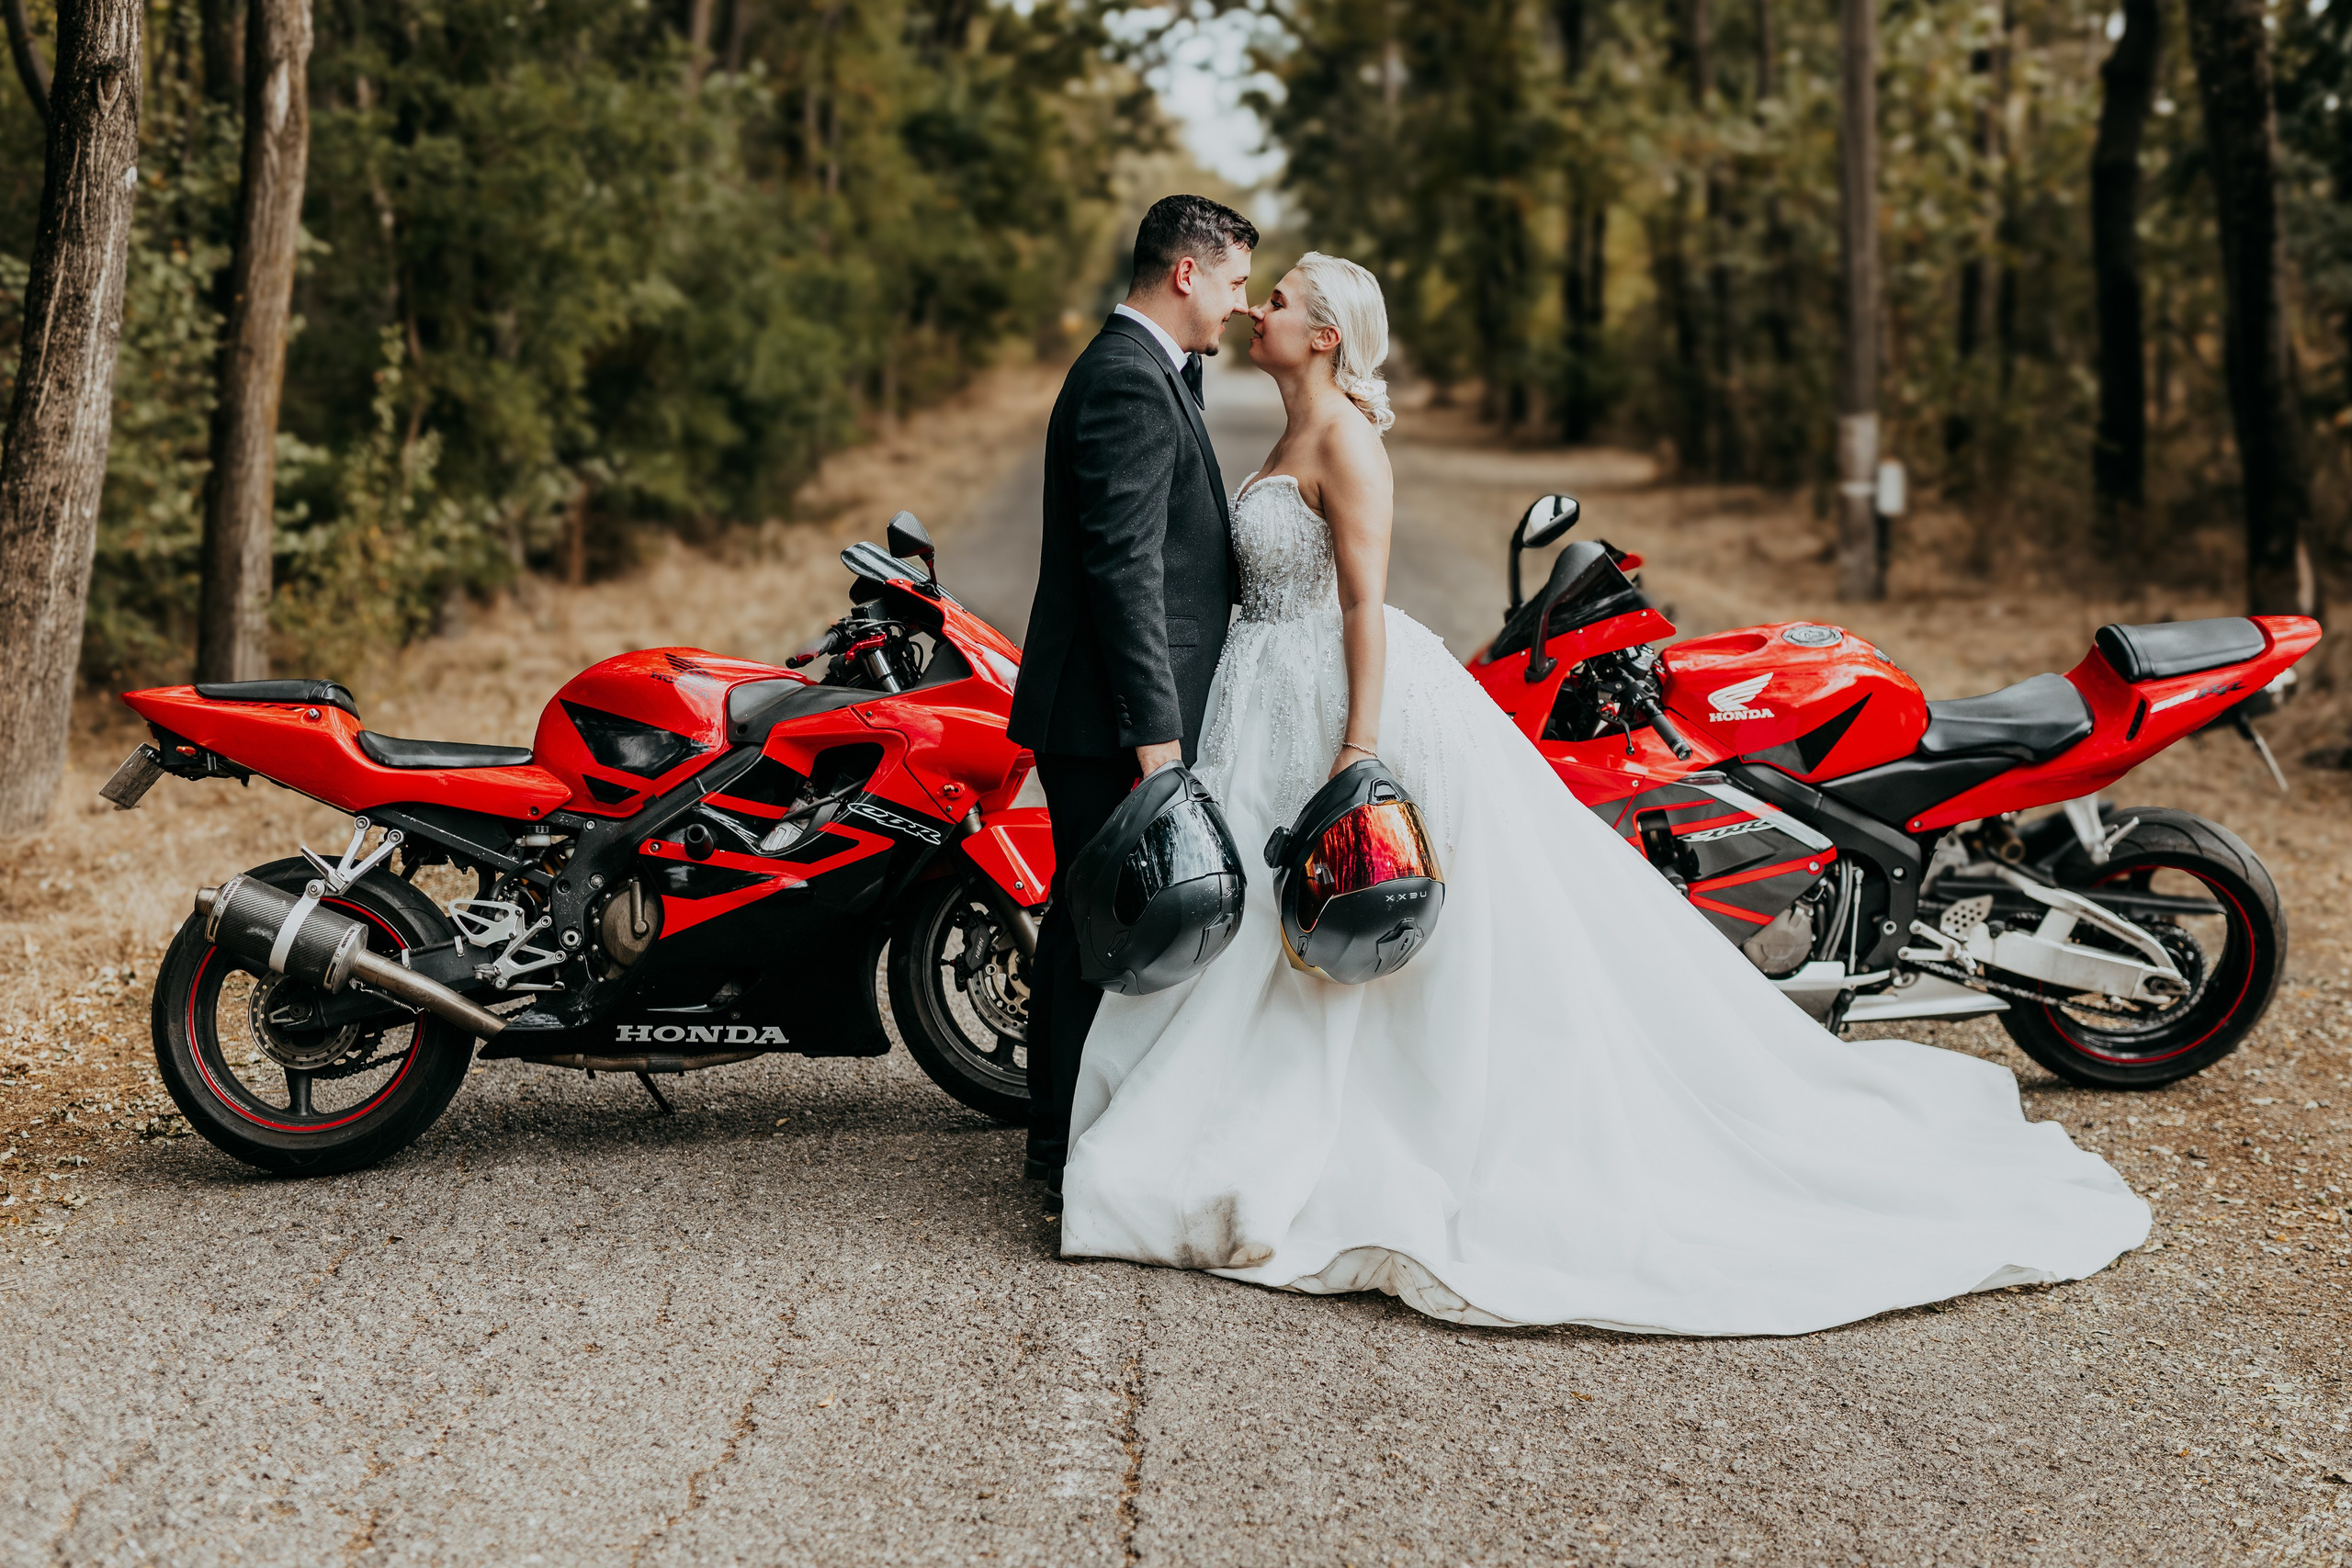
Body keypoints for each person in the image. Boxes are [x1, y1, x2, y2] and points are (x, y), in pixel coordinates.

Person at [1056, 253, 2151, 1336]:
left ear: (1327, 335)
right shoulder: (1286, 424)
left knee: (1352, 915)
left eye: (1279, 300)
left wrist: (1359, 744)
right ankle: (1238, 1118)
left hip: (1332, 704)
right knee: (1263, 930)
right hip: (1262, 697)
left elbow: (1362, 609)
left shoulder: (1347, 440)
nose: (1259, 311)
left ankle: (1351, 1126)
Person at [1008, 194, 1258, 1213]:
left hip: (1106, 713)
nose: (1242, 305)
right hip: (1108, 719)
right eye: (1237, 281)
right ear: (1185, 272)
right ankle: (1066, 1156)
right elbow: (1122, 572)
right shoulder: (1124, 379)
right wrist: (1154, 738)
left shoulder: (1152, 371)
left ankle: (1060, 1141)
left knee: (1092, 929)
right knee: (1093, 935)